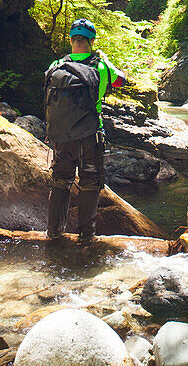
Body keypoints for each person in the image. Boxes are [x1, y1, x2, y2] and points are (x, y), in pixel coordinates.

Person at [43, 18, 126, 245]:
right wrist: (107, 61)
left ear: (71, 40)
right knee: (90, 182)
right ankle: (86, 236)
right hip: (91, 135)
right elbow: (121, 81)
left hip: (61, 136)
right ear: (92, 40)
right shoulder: (100, 65)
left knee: (61, 181)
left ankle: (53, 232)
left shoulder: (57, 65)